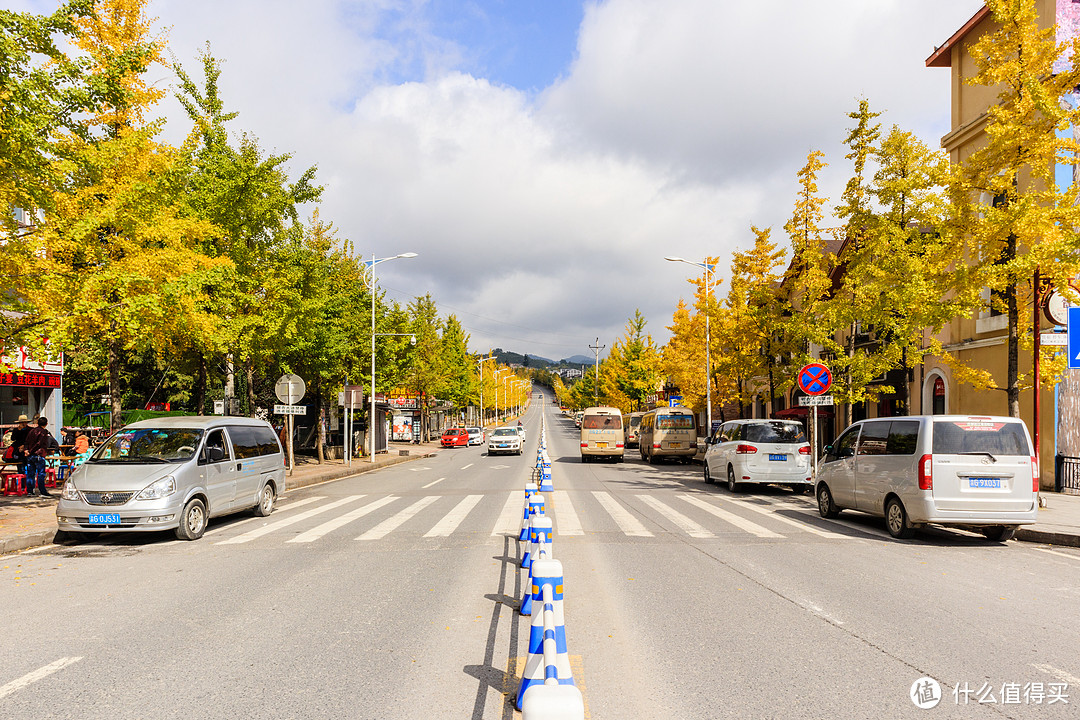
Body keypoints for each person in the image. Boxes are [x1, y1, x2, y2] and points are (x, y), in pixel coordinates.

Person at [23, 416, 53, 497]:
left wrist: (26, 450)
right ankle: (42, 491)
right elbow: (39, 444)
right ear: (46, 424)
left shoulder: (31, 431)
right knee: (41, 474)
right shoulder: (43, 432)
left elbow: (26, 441)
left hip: (30, 456)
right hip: (38, 454)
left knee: (30, 473)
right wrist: (30, 451)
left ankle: (30, 491)